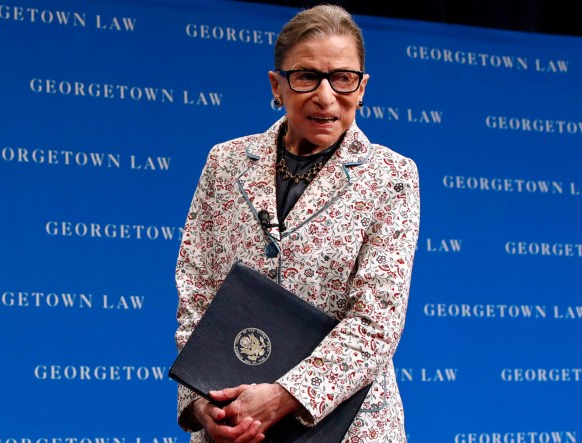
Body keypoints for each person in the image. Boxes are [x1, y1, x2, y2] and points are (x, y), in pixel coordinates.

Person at [174, 4, 419, 443]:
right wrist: (200, 401)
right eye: (306, 76)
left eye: (343, 78)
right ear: (277, 84)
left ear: (362, 88)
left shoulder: (392, 177)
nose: (326, 96)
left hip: (349, 430)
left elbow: (376, 320)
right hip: (233, 428)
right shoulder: (225, 163)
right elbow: (197, 290)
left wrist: (284, 396)